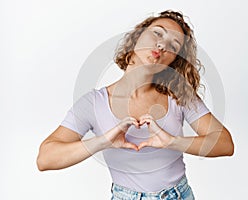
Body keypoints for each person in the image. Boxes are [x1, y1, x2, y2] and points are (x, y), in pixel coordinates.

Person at [37, 10, 234, 200]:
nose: (162, 45)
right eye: (157, 33)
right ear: (137, 36)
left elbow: (225, 144)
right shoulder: (94, 103)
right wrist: (102, 142)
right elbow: (45, 158)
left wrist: (172, 142)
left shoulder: (179, 95)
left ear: (173, 61)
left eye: (173, 46)